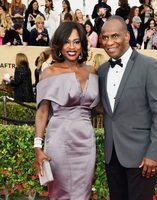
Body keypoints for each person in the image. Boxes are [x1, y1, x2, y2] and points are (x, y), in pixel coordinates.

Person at [98, 15, 157, 200]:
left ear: (127, 36)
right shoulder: (103, 70)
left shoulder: (149, 66)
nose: (109, 42)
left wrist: (153, 154)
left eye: (115, 36)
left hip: (141, 156)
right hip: (112, 155)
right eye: (105, 37)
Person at [34, 21, 99, 199]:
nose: (72, 47)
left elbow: (99, 108)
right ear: (59, 45)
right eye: (67, 42)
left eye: (76, 42)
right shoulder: (50, 72)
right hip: (59, 140)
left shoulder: (92, 72)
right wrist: (37, 147)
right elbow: (42, 112)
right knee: (60, 191)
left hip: (86, 142)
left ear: (82, 44)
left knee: (82, 192)